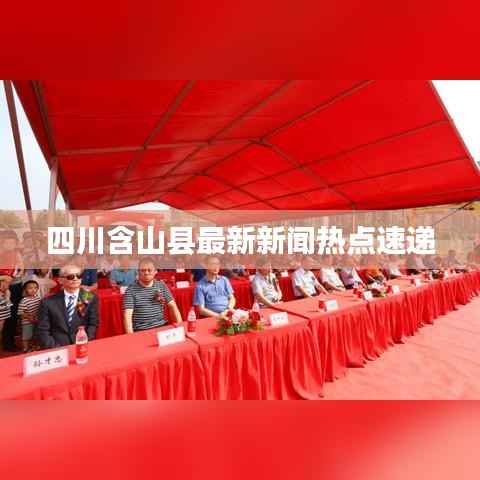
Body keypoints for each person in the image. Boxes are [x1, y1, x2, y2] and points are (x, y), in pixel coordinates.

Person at [36, 264, 98, 348]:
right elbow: (43, 330)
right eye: (70, 277)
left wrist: (86, 341)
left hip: (82, 345)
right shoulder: (47, 302)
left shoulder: (89, 297)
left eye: (78, 276)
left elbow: (93, 324)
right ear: (60, 280)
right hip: (57, 347)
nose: (75, 279)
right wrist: (56, 348)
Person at [123, 258, 183, 333]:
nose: (146, 273)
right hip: (141, 330)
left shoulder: (161, 285)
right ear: (138, 272)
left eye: (149, 270)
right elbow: (127, 316)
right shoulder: (130, 290)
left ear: (155, 271)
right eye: (143, 270)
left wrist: (180, 328)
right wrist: (131, 337)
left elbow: (173, 306)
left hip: (161, 326)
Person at [18, 280, 41, 352]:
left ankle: (35, 346)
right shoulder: (24, 300)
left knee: (36, 335)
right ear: (25, 289)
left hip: (36, 321)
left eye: (35, 288)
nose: (33, 290)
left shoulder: (38, 298)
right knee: (27, 336)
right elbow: (21, 313)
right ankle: (25, 348)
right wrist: (29, 317)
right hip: (27, 322)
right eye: (30, 288)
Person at [0, 275, 13, 348]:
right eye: (4, 283)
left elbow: (8, 306)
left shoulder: (7, 292)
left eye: (8, 283)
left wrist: (7, 297)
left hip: (3, 316)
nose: (7, 285)